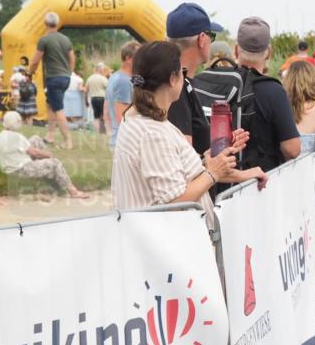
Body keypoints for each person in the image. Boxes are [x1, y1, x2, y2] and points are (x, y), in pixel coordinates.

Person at [111, 42, 266, 217]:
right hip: (167, 233)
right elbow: (174, 202)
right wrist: (213, 173)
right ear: (172, 79)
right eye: (182, 73)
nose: (184, 79)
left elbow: (173, 173)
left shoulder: (138, 118)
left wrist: (210, 161)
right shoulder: (152, 133)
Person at [233, 16, 301, 172]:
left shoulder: (220, 84)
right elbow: (292, 149)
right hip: (262, 179)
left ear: (236, 50)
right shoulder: (274, 91)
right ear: (268, 52)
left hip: (220, 180)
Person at [165, 2, 224, 155]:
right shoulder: (177, 87)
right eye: (212, 36)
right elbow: (183, 156)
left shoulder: (171, 80)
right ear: (202, 39)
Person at [0, 111, 88, 198]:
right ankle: (73, 191)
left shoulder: (2, 134)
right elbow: (34, 152)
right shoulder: (17, 137)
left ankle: (49, 169)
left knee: (36, 139)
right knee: (55, 162)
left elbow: (27, 149)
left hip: (11, 164)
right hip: (20, 168)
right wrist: (48, 154)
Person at [28, 12, 75, 149]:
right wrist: (69, 73)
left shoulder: (44, 40)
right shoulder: (65, 39)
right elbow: (72, 59)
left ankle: (68, 142)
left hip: (53, 78)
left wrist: (29, 73)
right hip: (65, 78)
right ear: (57, 23)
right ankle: (50, 135)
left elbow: (35, 61)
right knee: (50, 104)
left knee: (58, 109)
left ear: (45, 23)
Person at [105, 41, 139, 148]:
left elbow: (106, 109)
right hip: (125, 142)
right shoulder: (124, 81)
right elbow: (122, 117)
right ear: (128, 59)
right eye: (139, 57)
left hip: (118, 139)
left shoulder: (114, 76)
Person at [85, 63, 109, 134]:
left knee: (96, 117)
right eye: (103, 69)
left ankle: (97, 132)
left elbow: (86, 91)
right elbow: (109, 89)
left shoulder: (90, 78)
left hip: (93, 99)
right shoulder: (103, 78)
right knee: (104, 116)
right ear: (100, 69)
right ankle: (105, 131)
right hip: (102, 98)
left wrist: (86, 100)